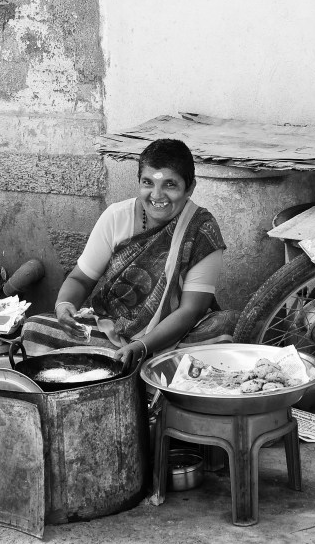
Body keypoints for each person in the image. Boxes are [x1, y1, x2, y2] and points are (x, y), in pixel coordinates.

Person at [21, 138, 238, 371]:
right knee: (35, 328)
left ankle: (115, 366)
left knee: (226, 326)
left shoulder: (201, 230)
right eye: (148, 183)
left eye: (170, 185)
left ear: (190, 187)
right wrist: (63, 306)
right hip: (112, 329)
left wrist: (142, 346)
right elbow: (80, 279)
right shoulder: (116, 217)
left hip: (176, 337)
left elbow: (191, 310)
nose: (157, 195)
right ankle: (134, 368)